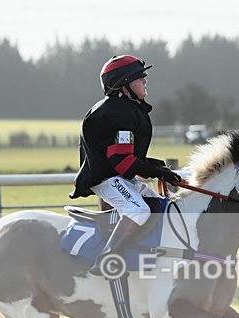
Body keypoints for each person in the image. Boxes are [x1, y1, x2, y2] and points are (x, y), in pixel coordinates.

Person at [69, 55, 181, 273]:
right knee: (138, 210)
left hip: (119, 176)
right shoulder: (118, 112)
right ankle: (107, 259)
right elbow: (122, 162)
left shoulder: (126, 109)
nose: (145, 81)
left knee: (158, 204)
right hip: (106, 179)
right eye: (140, 78)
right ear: (124, 85)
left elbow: (128, 158)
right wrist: (157, 170)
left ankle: (140, 252)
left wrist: (159, 169)